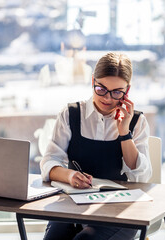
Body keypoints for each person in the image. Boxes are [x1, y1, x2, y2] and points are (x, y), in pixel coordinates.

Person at [40, 52, 152, 240]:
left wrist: (124, 132)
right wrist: (70, 175)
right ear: (92, 81)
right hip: (73, 203)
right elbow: (49, 161)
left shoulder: (137, 121)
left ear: (128, 90)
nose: (108, 98)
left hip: (121, 209)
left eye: (117, 92)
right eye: (101, 89)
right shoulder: (71, 114)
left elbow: (141, 176)